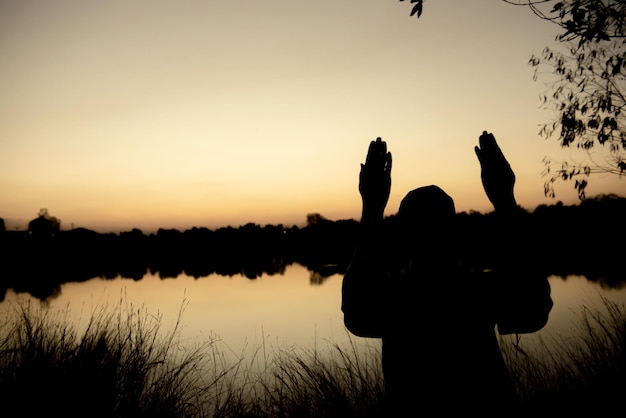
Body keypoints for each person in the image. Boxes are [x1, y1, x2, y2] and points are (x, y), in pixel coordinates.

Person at [341, 131, 553, 415]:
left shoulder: (395, 295)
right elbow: (533, 308)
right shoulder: (476, 290)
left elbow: (357, 314)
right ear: (453, 232)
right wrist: (504, 199)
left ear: (405, 237)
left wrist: (372, 207)